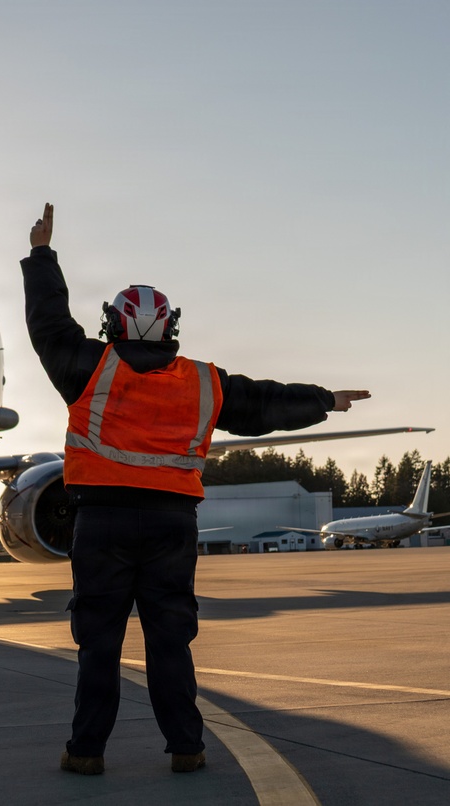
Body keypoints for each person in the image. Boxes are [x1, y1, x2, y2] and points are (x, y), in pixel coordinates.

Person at [21, 202, 369, 776]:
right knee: (170, 643)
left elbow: (48, 324)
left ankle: (86, 752)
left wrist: (42, 255)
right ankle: (187, 747)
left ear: (114, 324)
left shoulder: (89, 368)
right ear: (171, 327)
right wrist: (324, 400)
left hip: (102, 524)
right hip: (171, 527)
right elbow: (264, 402)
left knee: (100, 647)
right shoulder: (204, 383)